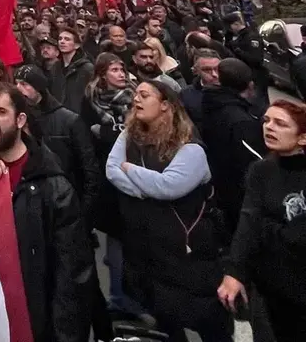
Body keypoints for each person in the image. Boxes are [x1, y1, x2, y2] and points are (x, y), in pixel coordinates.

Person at [0, 82, 93, 342]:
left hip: (31, 320)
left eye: (0, 111)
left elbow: (71, 277)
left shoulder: (54, 187)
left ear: (20, 119)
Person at [105, 80, 232, 341]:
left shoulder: (190, 147)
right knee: (166, 320)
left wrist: (131, 170)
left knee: (208, 323)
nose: (136, 100)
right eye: (136, 95)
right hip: (148, 252)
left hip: (188, 256)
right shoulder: (129, 133)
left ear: (165, 106)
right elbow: (111, 169)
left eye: (144, 95)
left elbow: (168, 186)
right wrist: (144, 188)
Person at [218, 100, 306, 341]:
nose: (269, 127)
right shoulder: (261, 171)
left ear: (302, 138)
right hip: (271, 288)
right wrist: (234, 271)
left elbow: (298, 235)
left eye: (280, 124)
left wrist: (267, 228)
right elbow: (248, 221)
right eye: (266, 120)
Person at [14, 64, 101, 219]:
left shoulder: (69, 121)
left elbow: (89, 170)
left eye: (24, 84)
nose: (18, 88)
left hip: (66, 204)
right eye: (16, 83)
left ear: (38, 88)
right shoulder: (17, 121)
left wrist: (85, 214)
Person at [200, 58, 266, 233]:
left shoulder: (211, 102)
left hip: (221, 182)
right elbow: (254, 161)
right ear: (249, 84)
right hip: (239, 191)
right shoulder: (239, 120)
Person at [223, 12, 268, 108]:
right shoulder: (238, 37)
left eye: (230, 27)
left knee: (259, 105)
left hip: (255, 77)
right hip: (245, 77)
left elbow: (256, 59)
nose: (230, 30)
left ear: (236, 24)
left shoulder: (251, 37)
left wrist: (238, 51)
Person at [50, 28, 94, 114]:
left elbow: (92, 96)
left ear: (76, 45)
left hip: (80, 117)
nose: (62, 42)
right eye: (60, 39)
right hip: (59, 117)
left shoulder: (87, 68)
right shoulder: (55, 67)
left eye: (67, 39)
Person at [179, 49, 221, 132]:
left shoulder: (233, 89)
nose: (214, 74)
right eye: (207, 70)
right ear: (196, 71)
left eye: (217, 69)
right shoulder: (186, 95)